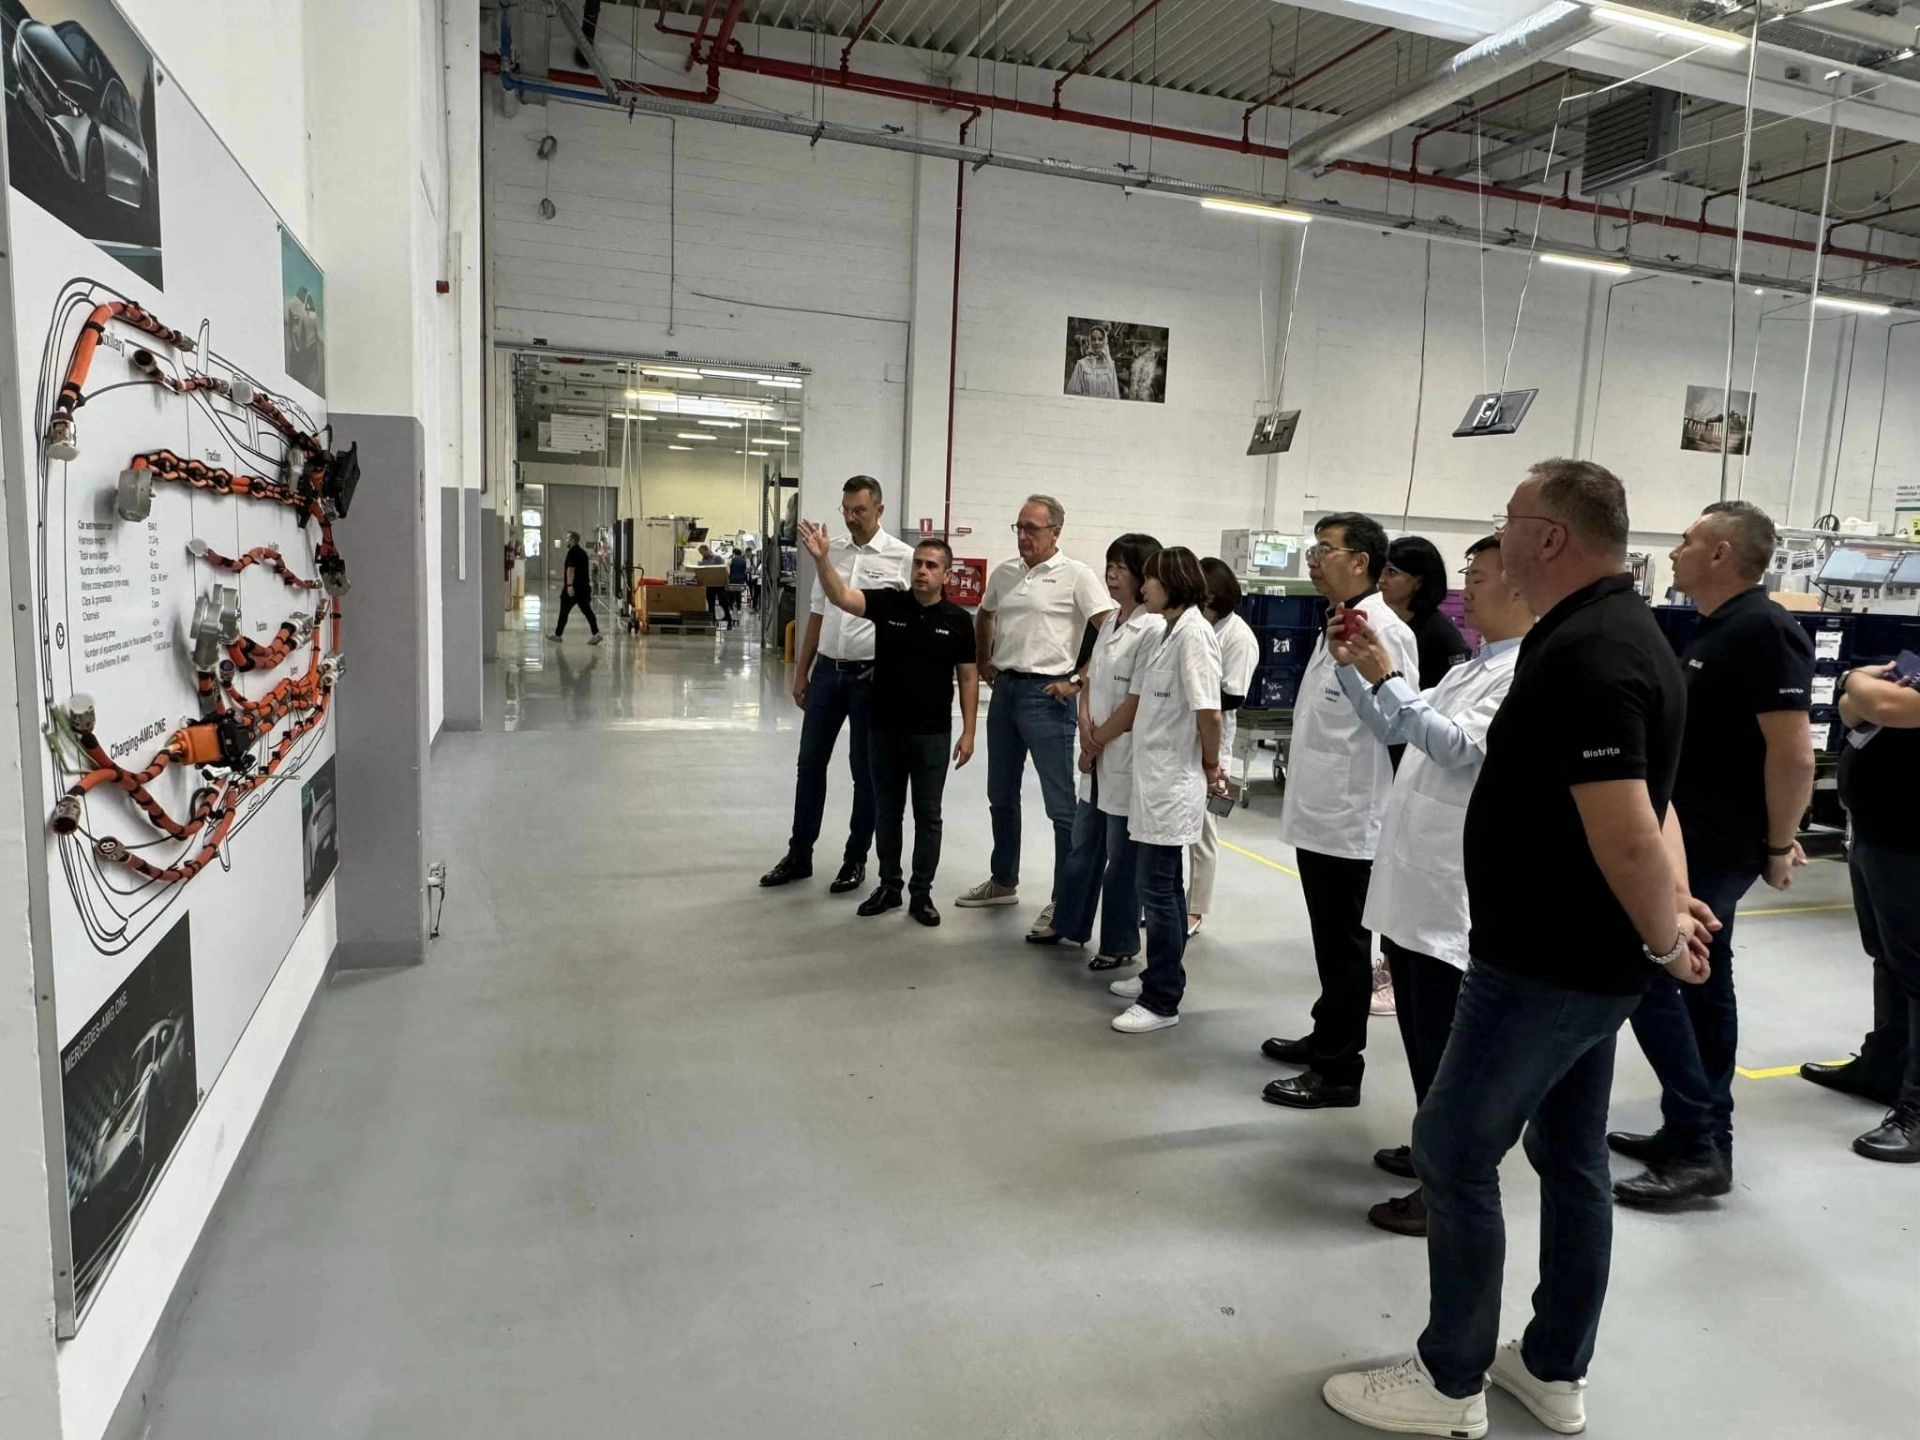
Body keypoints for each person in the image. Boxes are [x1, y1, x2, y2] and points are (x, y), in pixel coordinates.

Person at [1322, 458, 1716, 1440]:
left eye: (1509, 521)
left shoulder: (1587, 653)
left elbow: (1629, 830)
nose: (1494, 542)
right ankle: (1551, 1368)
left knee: (1454, 1147)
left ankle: (1448, 1380)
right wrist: (1668, 908)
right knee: (1569, 1153)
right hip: (1575, 959)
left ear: (1550, 537)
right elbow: (1650, 803)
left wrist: (1666, 937)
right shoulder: (1613, 635)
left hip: (1548, 963)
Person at [1609, 501, 1815, 1208]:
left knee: (1675, 975)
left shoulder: (1764, 629)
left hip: (1718, 844)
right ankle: (1688, 1130)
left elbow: (1793, 754)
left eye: (1688, 540)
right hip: (1687, 836)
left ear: (1723, 553)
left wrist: (1779, 843)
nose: (1674, 552)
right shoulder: (1718, 628)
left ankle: (1702, 1145)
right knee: (1690, 981)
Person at [1328, 536, 1533, 1239]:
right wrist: (1355, 670)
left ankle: (1447, 1185)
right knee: (1422, 1040)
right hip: (1413, 887)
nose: (1465, 589)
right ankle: (1431, 1148)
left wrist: (1385, 673)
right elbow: (1397, 722)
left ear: (1522, 587)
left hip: (1450, 892)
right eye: (1467, 575)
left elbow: (1458, 746)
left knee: (1448, 1052)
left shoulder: (1521, 675)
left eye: (1480, 577)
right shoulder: (1474, 667)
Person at [1261, 512, 1418, 1110]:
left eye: (1325, 548)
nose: (1313, 559)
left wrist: (1355, 669)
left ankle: (1338, 1070)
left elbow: (1396, 723)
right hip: (1322, 810)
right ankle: (1326, 1032)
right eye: (1314, 548)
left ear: (1360, 561)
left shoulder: (1385, 631)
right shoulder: (1339, 619)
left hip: (1351, 816)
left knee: (1345, 946)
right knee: (1328, 940)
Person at [798, 522, 978, 927]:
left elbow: (968, 677)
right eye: (918, 564)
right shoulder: (890, 604)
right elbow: (841, 597)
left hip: (932, 734)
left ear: (946, 575)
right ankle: (889, 886)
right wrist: (823, 560)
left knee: (928, 816)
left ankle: (921, 893)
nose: (922, 571)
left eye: (931, 566)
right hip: (884, 729)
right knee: (888, 812)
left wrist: (969, 732)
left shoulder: (957, 621)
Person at [957, 496, 1115, 937]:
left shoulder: (1077, 576)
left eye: (1033, 529)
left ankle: (1065, 900)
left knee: (1061, 807)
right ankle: (1003, 880)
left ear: (1055, 532)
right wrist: (983, 659)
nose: (1024, 536)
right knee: (1001, 794)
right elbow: (985, 614)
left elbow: (1111, 632)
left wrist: (1078, 680)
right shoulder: (1005, 573)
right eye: (1019, 527)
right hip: (1005, 692)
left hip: (1048, 697)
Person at [760, 477, 913, 893]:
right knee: (809, 765)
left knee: (865, 772)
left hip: (869, 678)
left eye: (859, 510)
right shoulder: (832, 553)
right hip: (828, 673)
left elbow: (911, 625)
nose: (850, 517)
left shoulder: (903, 558)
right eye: (845, 509)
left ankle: (855, 858)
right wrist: (801, 671)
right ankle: (799, 854)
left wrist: (893, 670)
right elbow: (817, 614)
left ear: (879, 510)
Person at [1101, 547, 1225, 1034]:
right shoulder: (1167, 631)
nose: (1142, 587)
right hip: (1152, 779)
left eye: (1149, 579)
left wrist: (1212, 764)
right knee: (1162, 886)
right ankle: (1159, 972)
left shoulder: (1194, 635)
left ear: (1171, 583)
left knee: (1157, 888)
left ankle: (1162, 1000)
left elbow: (1209, 712)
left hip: (1173, 782)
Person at [1043, 533, 1163, 969]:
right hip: (1096, 751)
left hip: (1124, 754)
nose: (1111, 574)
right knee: (1083, 847)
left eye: (1122, 568)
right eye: (1109, 565)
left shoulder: (1153, 629)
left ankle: (1119, 943)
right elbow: (1089, 680)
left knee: (1121, 858)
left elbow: (1135, 701)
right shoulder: (1111, 621)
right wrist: (1085, 730)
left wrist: (1098, 740)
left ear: (1144, 575)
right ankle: (1070, 923)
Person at [1820, 656, 1920, 1161]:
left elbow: (1878, 704)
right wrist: (1858, 694)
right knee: (1888, 957)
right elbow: (1850, 712)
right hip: (1879, 831)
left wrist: (1852, 679)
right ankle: (1883, 1067)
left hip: (1911, 840)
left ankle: (1917, 1110)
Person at [1184, 558, 1259, 937]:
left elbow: (1234, 695)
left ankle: (1195, 909)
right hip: (1185, 739)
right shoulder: (1198, 626)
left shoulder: (1238, 637)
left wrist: (1191, 693)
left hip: (1214, 744)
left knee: (1203, 832)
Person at [1380, 536, 1473, 690]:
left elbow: (1459, 689)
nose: (1381, 579)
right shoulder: (1382, 619)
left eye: (1391, 572)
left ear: (1418, 582)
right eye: (1380, 570)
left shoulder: (1442, 633)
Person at [550, 530, 603, 646]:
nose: (566, 541)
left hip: (574, 589)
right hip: (584, 588)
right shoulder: (583, 552)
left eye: (568, 538)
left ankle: (558, 635)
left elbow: (570, 570)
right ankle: (596, 634)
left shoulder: (572, 552)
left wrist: (569, 586)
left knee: (564, 611)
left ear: (573, 540)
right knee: (588, 611)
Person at [1065, 327, 1121, 399]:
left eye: (1100, 339)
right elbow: (1073, 392)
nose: (1096, 342)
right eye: (1093, 339)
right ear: (1090, 341)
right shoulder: (1081, 364)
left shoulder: (1110, 365)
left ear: (1104, 341)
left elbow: (1114, 393)